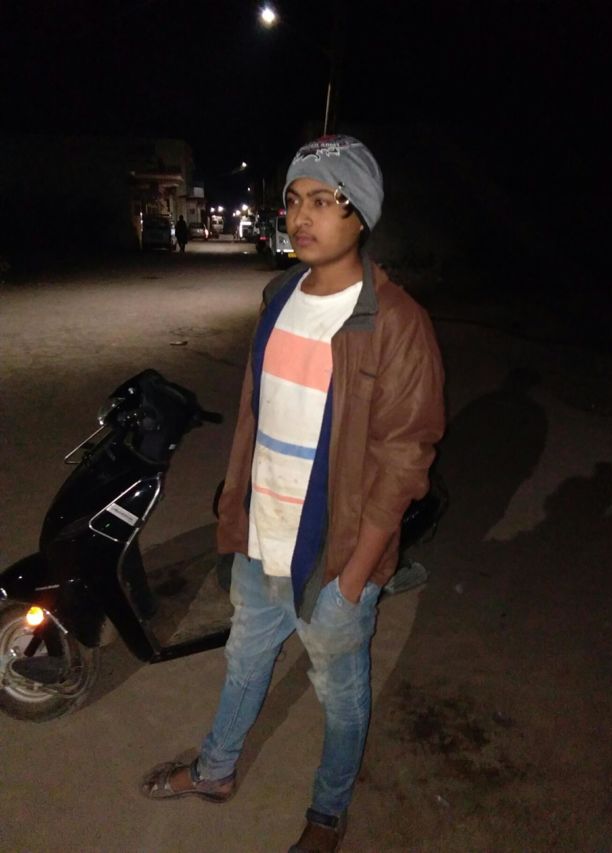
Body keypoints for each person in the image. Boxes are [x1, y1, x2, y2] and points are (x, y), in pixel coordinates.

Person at [141, 135, 445, 852]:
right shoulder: (278, 296)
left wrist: (354, 575)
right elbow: (260, 415)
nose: (302, 216)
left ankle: (328, 813)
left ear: (360, 214)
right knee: (245, 659)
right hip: (261, 539)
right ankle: (216, 769)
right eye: (294, 199)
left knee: (340, 692)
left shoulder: (396, 323)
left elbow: (405, 460)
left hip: (334, 556)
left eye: (324, 201)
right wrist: (238, 512)